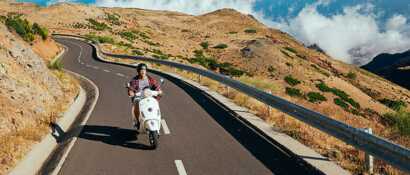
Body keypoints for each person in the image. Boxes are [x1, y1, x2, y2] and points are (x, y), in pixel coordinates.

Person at [127, 63, 162, 128]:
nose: (143, 71)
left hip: (149, 96)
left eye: (144, 70)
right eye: (141, 70)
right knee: (136, 102)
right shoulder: (134, 80)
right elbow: (131, 88)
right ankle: (137, 121)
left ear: (146, 71)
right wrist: (131, 92)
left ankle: (157, 119)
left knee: (156, 103)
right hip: (139, 97)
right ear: (138, 71)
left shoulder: (151, 79)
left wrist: (159, 91)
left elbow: (157, 87)